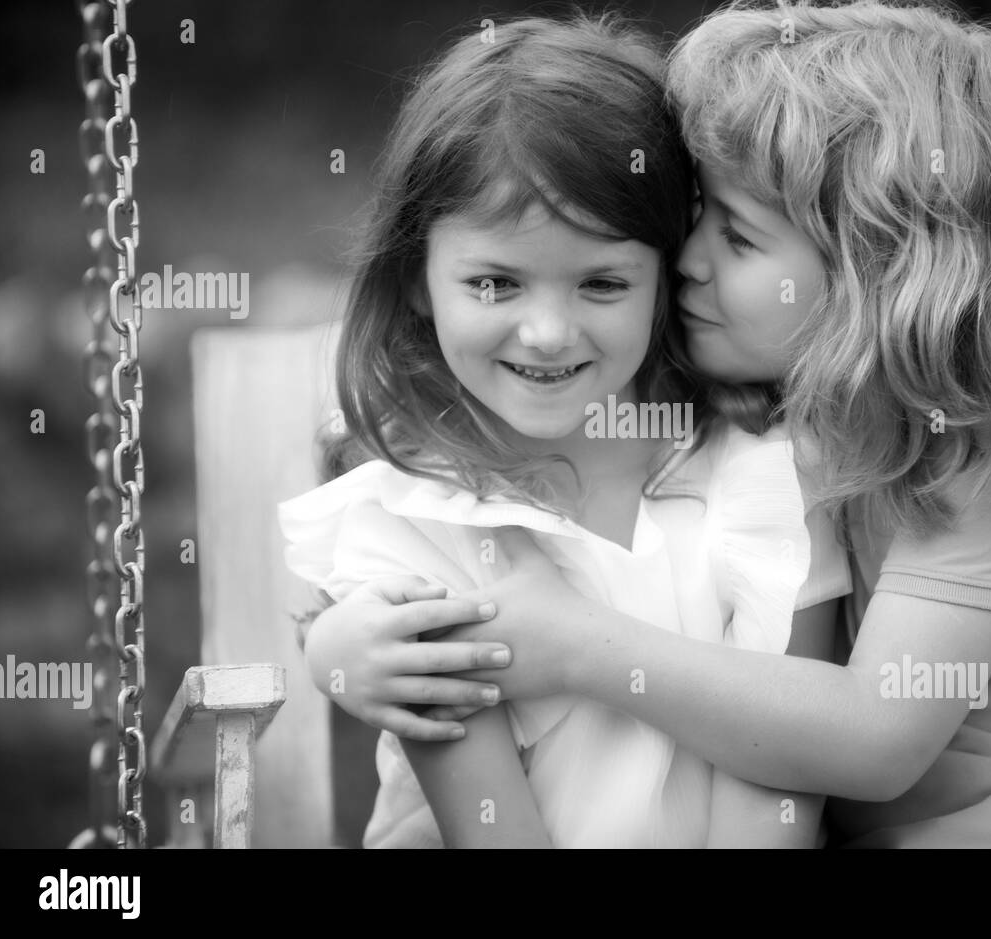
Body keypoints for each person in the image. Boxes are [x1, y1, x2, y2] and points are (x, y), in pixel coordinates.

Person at [300, 0, 991, 847]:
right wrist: (341, 648)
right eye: (692, 222)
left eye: (738, 235)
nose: (687, 263)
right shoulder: (783, 435)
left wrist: (571, 644)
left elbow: (873, 736)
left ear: (880, 272)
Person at [278, 13, 848, 849]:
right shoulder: (419, 533)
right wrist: (331, 649)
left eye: (602, 283)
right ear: (417, 281)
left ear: (669, 275)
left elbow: (779, 784)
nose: (547, 331)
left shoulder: (760, 484)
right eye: (497, 282)